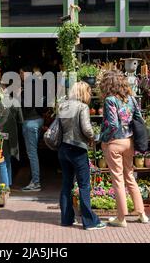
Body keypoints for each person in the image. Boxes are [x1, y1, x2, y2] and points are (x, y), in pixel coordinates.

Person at [99, 70, 149, 227]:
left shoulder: (110, 100)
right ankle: (142, 213)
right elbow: (139, 119)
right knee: (130, 176)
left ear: (108, 84)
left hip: (114, 142)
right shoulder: (131, 99)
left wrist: (103, 139)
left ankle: (121, 218)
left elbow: (113, 125)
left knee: (118, 180)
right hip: (128, 142)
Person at [57, 81, 106, 230]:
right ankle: (90, 222)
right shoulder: (82, 107)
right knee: (84, 185)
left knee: (66, 184)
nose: (90, 95)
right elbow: (87, 129)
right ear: (84, 93)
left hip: (63, 148)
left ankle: (66, 219)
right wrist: (94, 136)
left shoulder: (63, 105)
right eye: (89, 92)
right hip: (78, 149)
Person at [19, 65, 45, 192]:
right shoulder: (38, 85)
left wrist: (18, 96)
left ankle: (35, 182)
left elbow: (27, 105)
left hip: (31, 122)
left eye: (21, 73)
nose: (20, 76)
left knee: (32, 153)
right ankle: (35, 179)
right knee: (34, 152)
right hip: (38, 120)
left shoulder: (30, 86)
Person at [0, 83, 23, 188]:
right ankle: (9, 183)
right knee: (7, 159)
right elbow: (21, 120)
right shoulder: (15, 102)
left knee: (2, 160)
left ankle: (5, 186)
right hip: (11, 134)